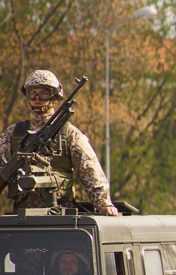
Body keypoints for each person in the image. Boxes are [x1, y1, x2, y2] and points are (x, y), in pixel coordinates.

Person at [0, 70, 118, 216]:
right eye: (32, 92)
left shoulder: (69, 134)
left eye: (44, 93)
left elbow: (89, 169)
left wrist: (103, 203)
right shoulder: (13, 133)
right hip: (22, 215)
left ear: (55, 97)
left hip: (60, 215)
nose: (37, 98)